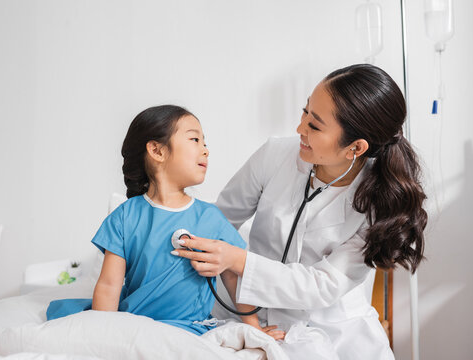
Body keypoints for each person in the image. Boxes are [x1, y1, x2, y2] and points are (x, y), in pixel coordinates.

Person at [172, 64, 428, 359]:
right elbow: (219, 221)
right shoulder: (275, 155)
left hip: (333, 329)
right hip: (248, 312)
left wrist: (237, 259)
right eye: (304, 112)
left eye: (315, 126)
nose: (299, 129)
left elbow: (321, 287)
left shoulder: (379, 203)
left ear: (355, 148)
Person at [47, 105, 281, 338]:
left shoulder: (211, 217)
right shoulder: (125, 216)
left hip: (191, 330)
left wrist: (255, 329)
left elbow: (233, 280)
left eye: (205, 143)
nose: (206, 150)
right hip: (134, 326)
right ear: (157, 151)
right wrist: (101, 336)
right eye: (194, 139)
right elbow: (109, 286)